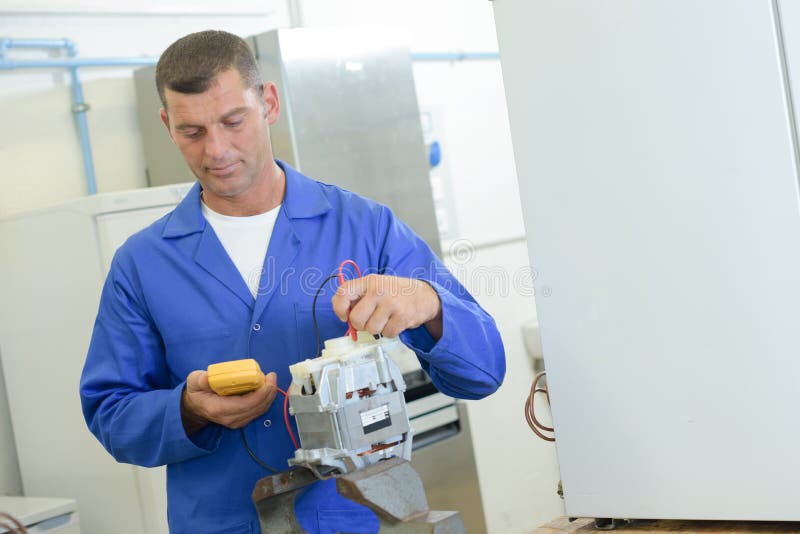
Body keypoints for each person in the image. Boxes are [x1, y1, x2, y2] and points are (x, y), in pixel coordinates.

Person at [80, 30, 505, 534]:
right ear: (166, 124)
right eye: (192, 132)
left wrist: (431, 305)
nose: (216, 150)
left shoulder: (365, 227)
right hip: (218, 522)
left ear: (269, 103)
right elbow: (111, 413)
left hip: (355, 518)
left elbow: (484, 372)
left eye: (233, 122)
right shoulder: (142, 264)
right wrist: (188, 409)